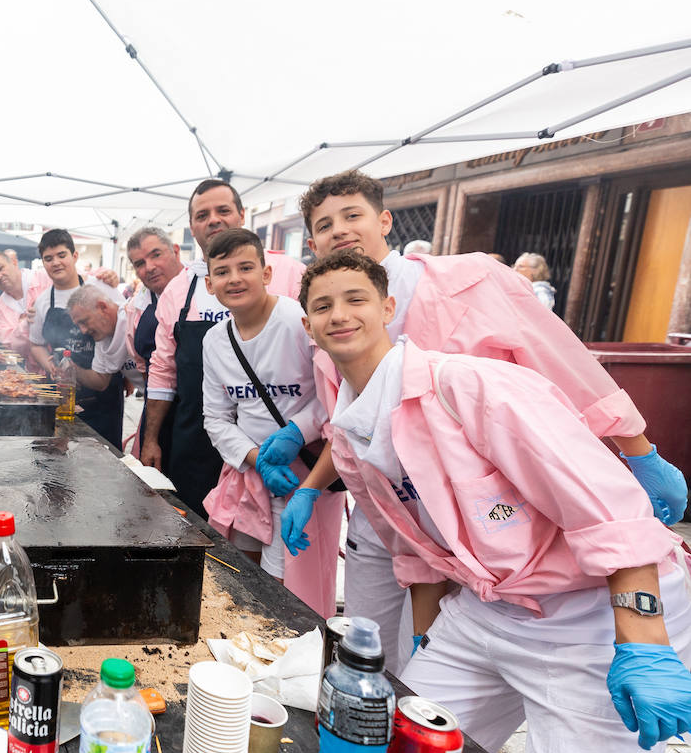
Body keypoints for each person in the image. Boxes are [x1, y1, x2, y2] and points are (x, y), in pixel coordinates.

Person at [301, 249, 691, 753]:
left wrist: (642, 642)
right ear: (307, 326)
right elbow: (417, 553)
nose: (340, 315)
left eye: (355, 299)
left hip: (592, 611)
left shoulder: (473, 386)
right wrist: (429, 640)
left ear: (388, 308)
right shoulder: (349, 437)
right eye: (322, 306)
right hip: (487, 607)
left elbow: (611, 511)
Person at [285, 169, 687, 673]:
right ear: (313, 241)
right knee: (377, 648)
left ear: (384, 220)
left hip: (495, 514)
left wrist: (638, 447)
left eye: (352, 215)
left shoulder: (469, 280)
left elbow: (558, 359)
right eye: (324, 225)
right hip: (395, 514)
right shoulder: (328, 326)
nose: (339, 230)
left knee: (465, 644)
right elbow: (348, 428)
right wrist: (311, 487)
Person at [141, 179, 306, 515]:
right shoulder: (179, 289)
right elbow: (162, 371)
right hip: (197, 434)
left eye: (223, 210)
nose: (213, 219)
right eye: (203, 215)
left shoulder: (291, 273)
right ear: (192, 227)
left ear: (242, 215)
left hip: (280, 443)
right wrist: (150, 438)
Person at [199, 229, 340, 617]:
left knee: (289, 590)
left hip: (304, 476)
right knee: (241, 578)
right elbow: (216, 417)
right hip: (249, 475)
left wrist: (298, 432)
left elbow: (333, 394)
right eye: (223, 272)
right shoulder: (214, 340)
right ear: (210, 284)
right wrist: (256, 456)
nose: (235, 279)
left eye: (246, 267)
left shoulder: (298, 321)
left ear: (266, 272)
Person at [28, 229, 126, 448]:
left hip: (104, 397)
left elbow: (123, 325)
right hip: (63, 395)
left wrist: (128, 371)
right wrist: (51, 366)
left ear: (74, 256)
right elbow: (36, 344)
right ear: (43, 263)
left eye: (62, 255)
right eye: (48, 258)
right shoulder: (42, 302)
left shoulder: (101, 287)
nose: (56, 263)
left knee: (104, 459)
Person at [123, 227, 185, 462]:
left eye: (156, 255)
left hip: (196, 415)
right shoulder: (137, 308)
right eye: (139, 263)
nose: (148, 267)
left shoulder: (202, 291)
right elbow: (142, 369)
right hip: (156, 413)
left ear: (176, 251)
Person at [65, 285, 142, 392]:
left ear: (103, 307)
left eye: (84, 321)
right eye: (78, 325)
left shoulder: (136, 319)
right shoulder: (103, 336)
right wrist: (71, 369)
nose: (83, 331)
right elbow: (100, 381)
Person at [0, 249, 48, 356]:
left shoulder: (42, 279)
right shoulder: (0, 308)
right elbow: (12, 347)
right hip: (31, 368)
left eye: (0, 268)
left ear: (14, 263)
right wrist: (26, 323)